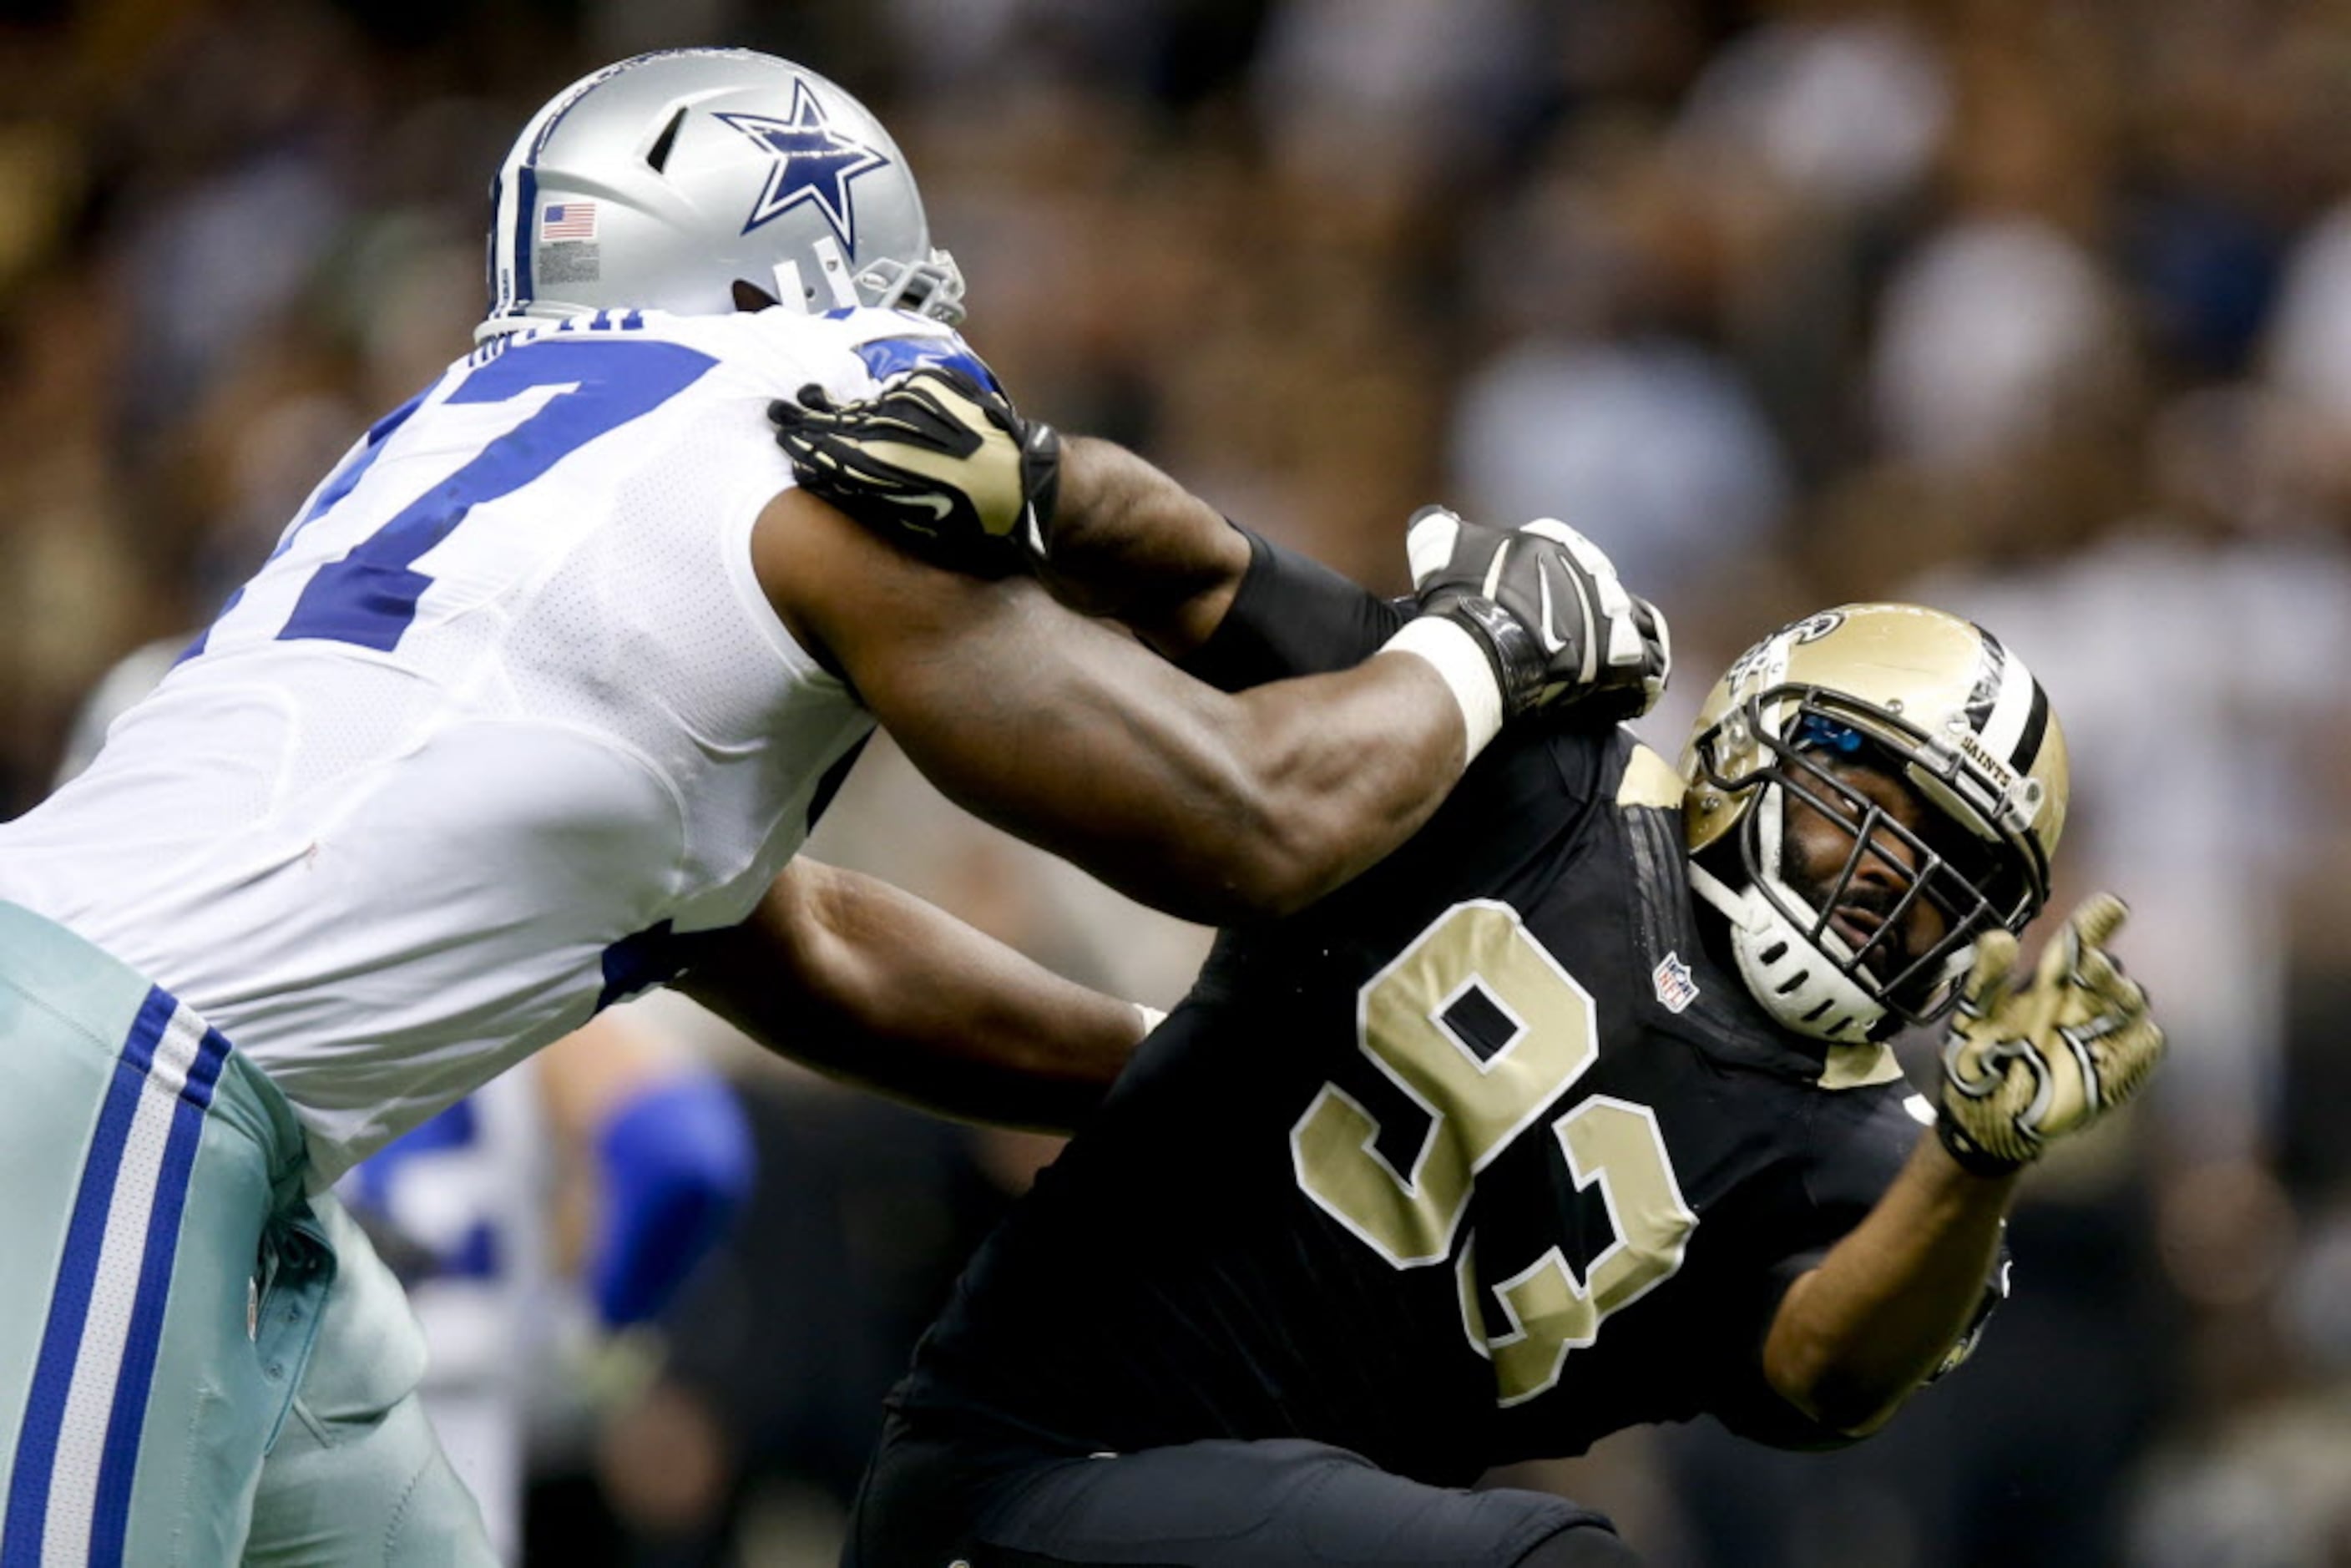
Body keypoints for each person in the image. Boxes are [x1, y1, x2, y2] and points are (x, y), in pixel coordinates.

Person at [0, 49, 1668, 1565]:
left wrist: (1180, 1079)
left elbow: (791, 944)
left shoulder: (468, 443)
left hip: (149, 1080)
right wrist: (1483, 647)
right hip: (115, 1088)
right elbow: (1253, 815)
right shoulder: (803, 434)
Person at [766, 369, 2165, 1566]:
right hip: (1029, 1459)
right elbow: (1206, 573)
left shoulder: (1877, 1155)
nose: (1887, 876)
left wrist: (1978, 1163)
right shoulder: (1530, 772)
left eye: (1944, 873)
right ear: (1754, 739)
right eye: (1872, 813)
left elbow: (1822, 1372)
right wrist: (1045, 484)